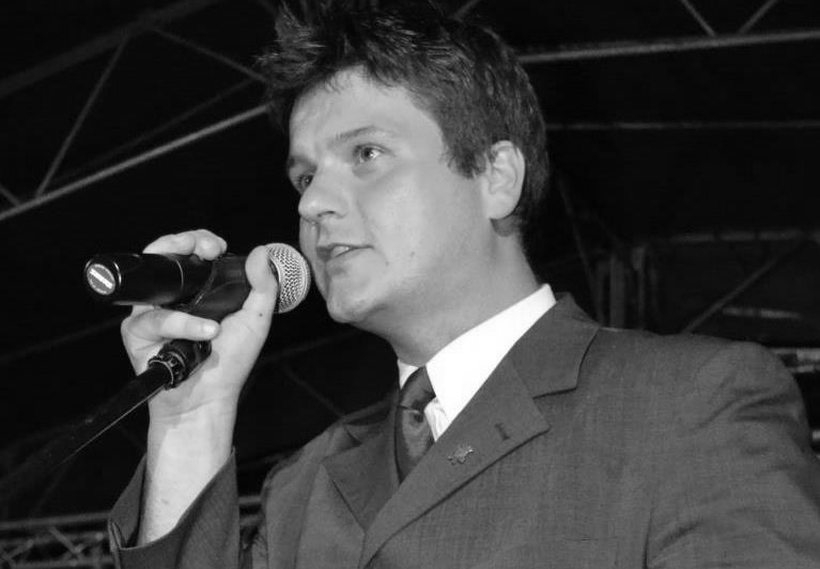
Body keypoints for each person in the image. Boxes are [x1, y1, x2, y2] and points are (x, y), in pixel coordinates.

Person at [108, 2, 820, 567]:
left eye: (366, 153)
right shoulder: (305, 483)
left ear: (496, 177)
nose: (313, 203)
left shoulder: (692, 404)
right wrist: (191, 420)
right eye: (304, 177)